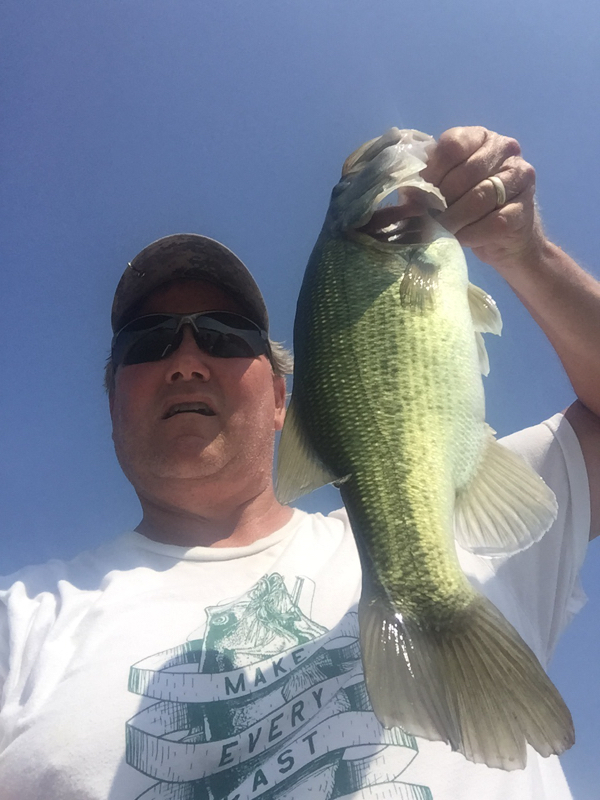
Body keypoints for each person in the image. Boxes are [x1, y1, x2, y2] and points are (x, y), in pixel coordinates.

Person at [0, 126, 598, 800]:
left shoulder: (457, 528)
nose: (187, 361)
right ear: (111, 401)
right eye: (148, 342)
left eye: (225, 336)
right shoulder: (21, 625)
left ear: (286, 398)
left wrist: (530, 257)